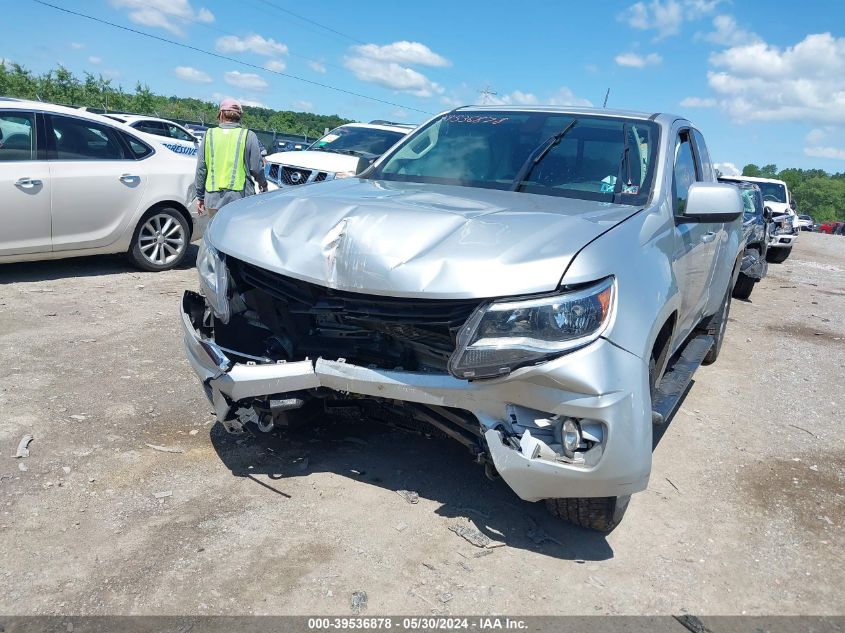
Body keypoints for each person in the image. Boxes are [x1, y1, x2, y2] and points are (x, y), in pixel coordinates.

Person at [195, 98, 267, 217]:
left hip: (213, 199)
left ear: (221, 114)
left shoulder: (209, 135)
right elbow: (256, 168)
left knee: (216, 233)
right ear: (239, 116)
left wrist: (200, 197)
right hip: (240, 199)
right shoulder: (248, 136)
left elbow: (201, 169)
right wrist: (263, 184)